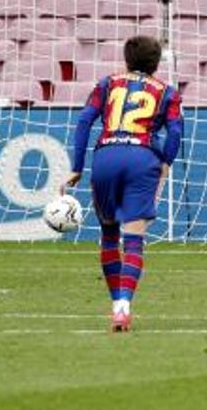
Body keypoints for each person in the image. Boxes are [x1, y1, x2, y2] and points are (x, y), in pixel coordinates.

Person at [63, 35, 183, 333]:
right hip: (142, 159)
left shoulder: (106, 84)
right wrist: (165, 163)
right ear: (156, 64)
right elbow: (176, 132)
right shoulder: (168, 92)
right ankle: (123, 307)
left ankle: (115, 300)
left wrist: (77, 167)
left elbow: (83, 122)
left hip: (106, 156)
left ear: (126, 59)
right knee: (133, 239)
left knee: (108, 234)